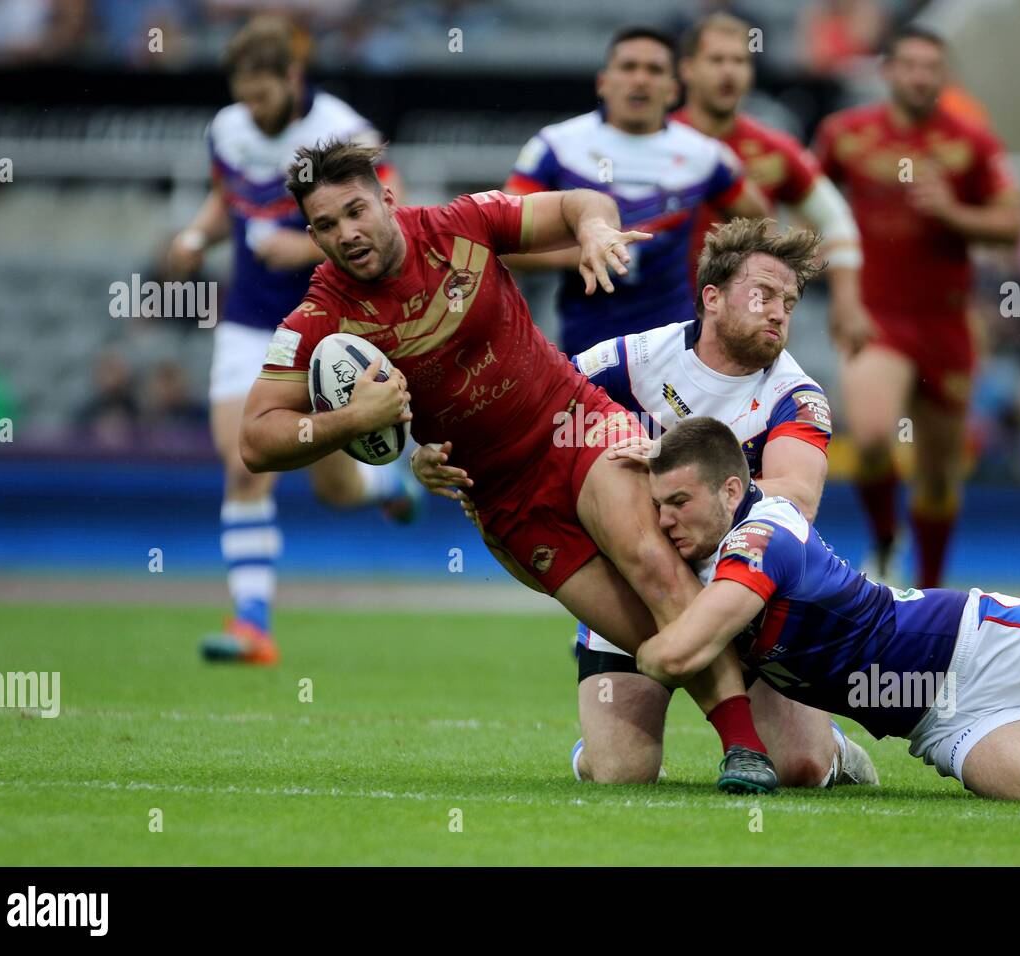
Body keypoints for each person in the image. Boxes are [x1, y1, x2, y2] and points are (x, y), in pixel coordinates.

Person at [240, 139, 778, 793]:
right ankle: (648, 734)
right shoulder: (322, 315)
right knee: (645, 643)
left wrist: (598, 229)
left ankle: (746, 748)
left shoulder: (462, 224)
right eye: (325, 225)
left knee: (654, 567)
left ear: (386, 196)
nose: (346, 234)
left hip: (573, 425)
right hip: (503, 500)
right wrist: (352, 421)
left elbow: (579, 203)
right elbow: (257, 439)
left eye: (355, 211)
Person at [416, 218, 879, 789]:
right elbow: (524, 412)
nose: (779, 311)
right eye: (762, 294)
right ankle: (600, 740)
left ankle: (830, 747)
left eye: (789, 299)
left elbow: (798, 500)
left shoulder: (796, 396)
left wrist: (676, 461)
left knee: (802, 770)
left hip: (742, 598)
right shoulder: (631, 360)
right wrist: (439, 454)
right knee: (621, 775)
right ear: (711, 297)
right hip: (633, 583)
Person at [635, 416, 1020, 801]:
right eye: (656, 505)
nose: (664, 521)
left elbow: (681, 651)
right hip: (934, 721)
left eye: (678, 502)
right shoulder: (706, 555)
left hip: (981, 641)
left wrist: (630, 636)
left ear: (732, 490)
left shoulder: (763, 534)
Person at [166, 16, 416, 665]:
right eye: (244, 97)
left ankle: (382, 486)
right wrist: (196, 236)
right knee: (245, 461)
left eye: (264, 96)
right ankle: (253, 623)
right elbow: (232, 199)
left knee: (334, 492)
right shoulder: (226, 129)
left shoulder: (343, 131)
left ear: (292, 77)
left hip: (326, 324)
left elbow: (393, 214)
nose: (253, 109)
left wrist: (301, 244)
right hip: (251, 322)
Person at [812, 24, 1020, 588]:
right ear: (888, 71)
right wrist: (829, 284)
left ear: (943, 76)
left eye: (932, 67)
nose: (920, 76)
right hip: (875, 316)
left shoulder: (971, 142)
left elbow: (1011, 224)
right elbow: (808, 203)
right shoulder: (845, 135)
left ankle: (929, 589)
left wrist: (954, 213)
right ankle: (883, 539)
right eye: (909, 65)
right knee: (874, 434)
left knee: (936, 473)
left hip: (947, 323)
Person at [501, 25, 771, 356]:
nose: (640, 79)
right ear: (604, 82)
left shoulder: (704, 155)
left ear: (673, 90)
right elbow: (504, 239)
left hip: (675, 345)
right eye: (629, 67)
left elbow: (761, 227)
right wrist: (585, 252)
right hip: (584, 345)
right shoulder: (557, 146)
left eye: (654, 70)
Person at [671, 12, 870, 350]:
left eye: (739, 61)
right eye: (716, 60)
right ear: (687, 69)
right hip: (656, 318)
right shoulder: (657, 144)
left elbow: (836, 220)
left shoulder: (774, 148)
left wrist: (847, 300)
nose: (729, 71)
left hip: (741, 329)